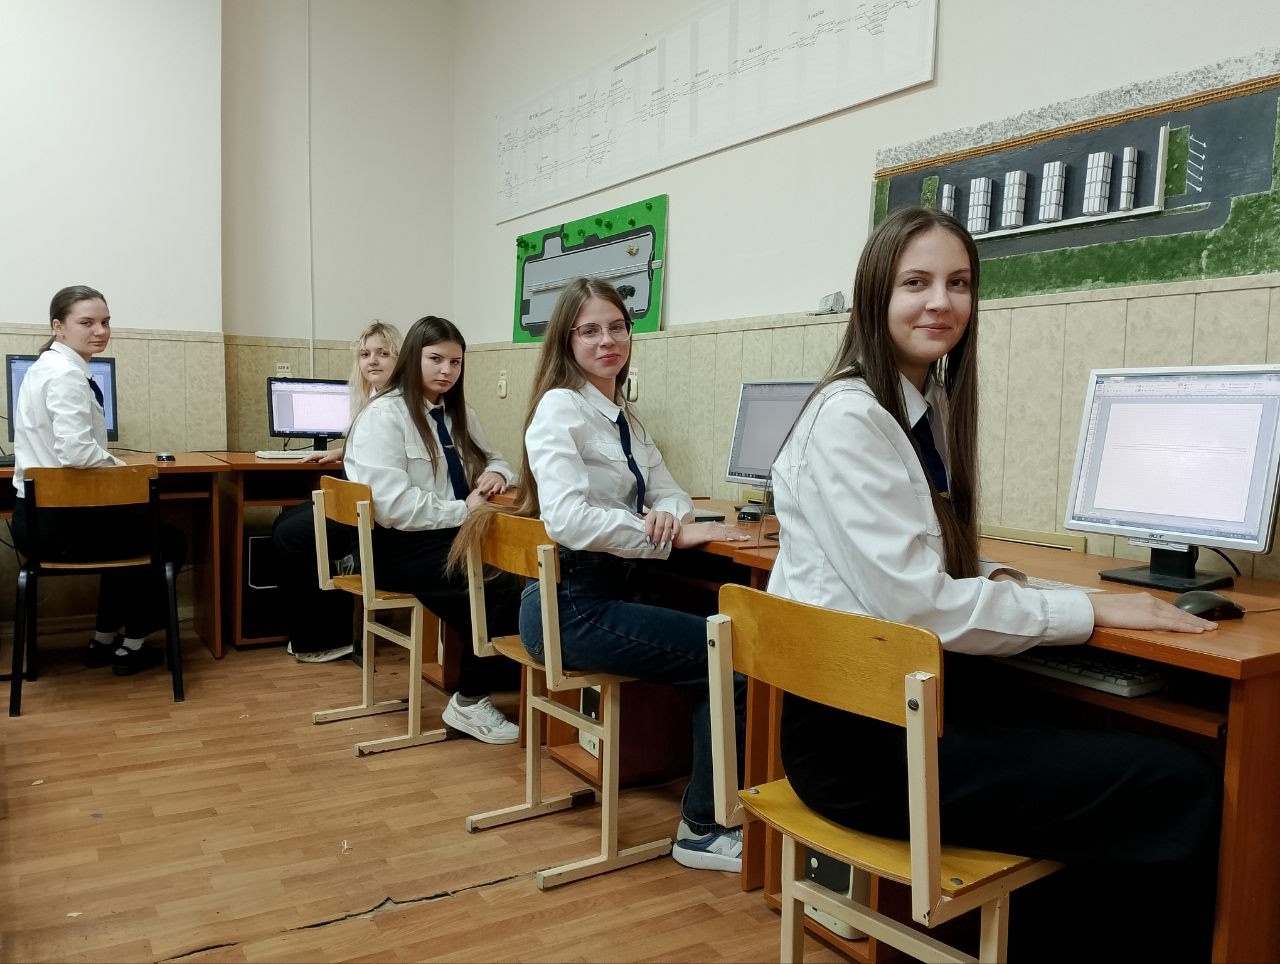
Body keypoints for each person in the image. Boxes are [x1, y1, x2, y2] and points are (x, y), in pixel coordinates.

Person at [768, 207, 1221, 961]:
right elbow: (920, 605)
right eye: (916, 283)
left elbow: (916, 560)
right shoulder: (853, 418)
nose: (940, 302)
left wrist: (1020, 584)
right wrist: (1089, 608)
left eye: (959, 283)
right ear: (875, 295)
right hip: (861, 753)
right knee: (1176, 777)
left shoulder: (919, 406)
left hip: (890, 714)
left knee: (1096, 734)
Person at [450, 276, 752, 873]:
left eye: (617, 327)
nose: (607, 340)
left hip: (610, 590)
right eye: (589, 330)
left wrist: (670, 516)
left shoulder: (623, 418)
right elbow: (567, 519)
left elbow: (669, 490)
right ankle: (704, 828)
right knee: (730, 661)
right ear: (567, 341)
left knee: (730, 630)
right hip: (572, 605)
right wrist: (662, 533)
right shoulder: (559, 409)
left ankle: (709, 804)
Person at [343, 315, 522, 743]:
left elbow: (496, 458)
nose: (447, 371)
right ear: (412, 358)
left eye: (455, 362)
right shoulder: (384, 416)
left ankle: (498, 675)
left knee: (524, 575)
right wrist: (463, 509)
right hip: (397, 546)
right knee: (492, 584)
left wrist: (496, 474)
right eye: (436, 359)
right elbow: (393, 507)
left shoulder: (458, 414)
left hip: (447, 534)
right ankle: (469, 702)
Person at [12, 285, 186, 676]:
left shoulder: (47, 368)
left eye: (105, 322)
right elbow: (76, 453)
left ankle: (103, 640)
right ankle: (132, 646)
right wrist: (127, 470)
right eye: (86, 322)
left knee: (127, 533)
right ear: (58, 327)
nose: (100, 331)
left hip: (38, 525)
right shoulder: (66, 375)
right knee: (167, 542)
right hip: (61, 530)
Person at [270, 321, 402, 663]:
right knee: (284, 523)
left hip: (374, 508)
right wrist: (342, 452)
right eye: (365, 354)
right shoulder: (374, 397)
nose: (372, 361)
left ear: (400, 358)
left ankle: (326, 638)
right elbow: (379, 446)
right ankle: (307, 630)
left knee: (292, 535)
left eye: (383, 353)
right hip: (355, 498)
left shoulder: (400, 402)